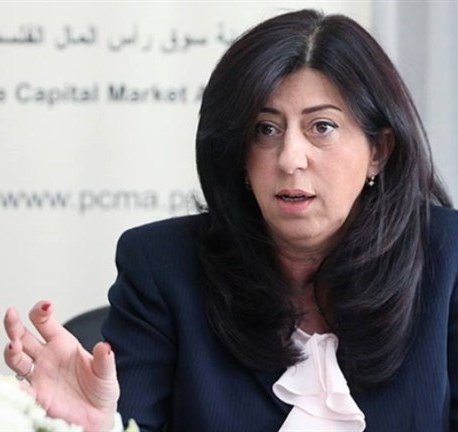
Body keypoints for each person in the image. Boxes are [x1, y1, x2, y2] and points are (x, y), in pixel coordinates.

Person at [3, 8, 458, 432]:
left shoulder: (448, 259)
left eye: (322, 127)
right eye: (266, 129)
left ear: (378, 150)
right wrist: (100, 426)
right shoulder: (162, 267)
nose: (290, 158)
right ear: (239, 153)